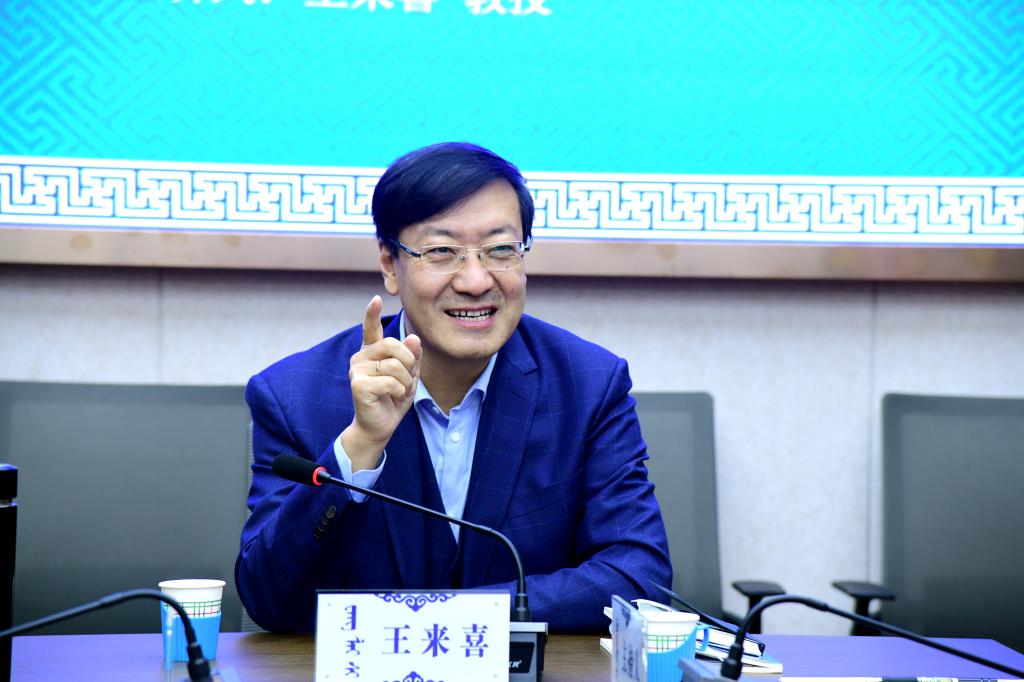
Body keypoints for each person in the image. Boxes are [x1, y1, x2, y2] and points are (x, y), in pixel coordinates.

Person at [236, 142, 671, 633]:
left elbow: (639, 577)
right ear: (389, 263)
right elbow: (269, 601)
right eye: (442, 251)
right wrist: (361, 445)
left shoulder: (589, 386)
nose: (476, 280)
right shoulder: (293, 396)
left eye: (500, 250)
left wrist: (448, 617)